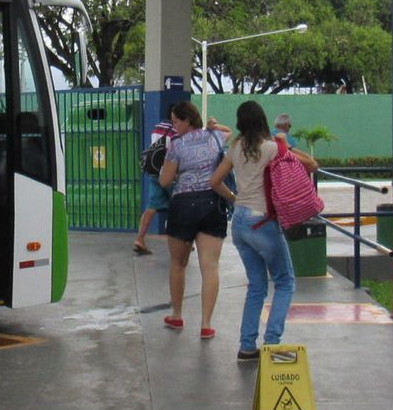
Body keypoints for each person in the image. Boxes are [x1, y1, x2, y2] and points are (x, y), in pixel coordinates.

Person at [210, 99, 319, 360]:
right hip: (264, 223)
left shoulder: (235, 148)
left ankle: (247, 346)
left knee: (257, 285)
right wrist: (285, 143)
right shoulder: (272, 148)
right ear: (262, 121)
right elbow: (312, 165)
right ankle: (272, 344)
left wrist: (235, 199)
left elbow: (214, 181)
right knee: (284, 282)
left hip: (240, 223)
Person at [157, 102, 229, 339]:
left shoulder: (176, 145)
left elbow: (165, 181)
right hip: (212, 203)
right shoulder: (215, 136)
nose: (173, 126)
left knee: (178, 263)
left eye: (176, 121)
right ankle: (206, 324)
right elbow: (229, 133)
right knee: (210, 266)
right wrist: (214, 126)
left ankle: (177, 315)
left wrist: (173, 171)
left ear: (188, 120)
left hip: (183, 205)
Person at [133, 110, 175, 255]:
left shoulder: (157, 127)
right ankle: (178, 241)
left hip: (155, 172)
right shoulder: (177, 132)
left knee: (151, 207)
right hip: (171, 175)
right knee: (178, 207)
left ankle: (140, 239)